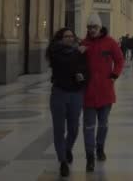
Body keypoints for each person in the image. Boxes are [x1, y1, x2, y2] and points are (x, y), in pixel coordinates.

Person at [80, 13, 124, 172]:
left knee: (103, 125)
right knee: (88, 126)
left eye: (94, 27)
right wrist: (79, 54)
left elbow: (119, 59)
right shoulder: (84, 44)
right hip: (89, 94)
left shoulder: (110, 43)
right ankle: (89, 156)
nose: (91, 30)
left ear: (100, 27)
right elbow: (77, 66)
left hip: (105, 92)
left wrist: (114, 74)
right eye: (89, 27)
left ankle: (100, 147)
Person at [46, 28, 89, 177]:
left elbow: (84, 68)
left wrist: (82, 76)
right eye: (66, 36)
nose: (70, 39)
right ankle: (63, 161)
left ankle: (67, 148)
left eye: (71, 36)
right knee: (59, 130)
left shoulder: (78, 51)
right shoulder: (55, 51)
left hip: (76, 94)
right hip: (59, 93)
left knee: (74, 128)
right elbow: (64, 64)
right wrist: (78, 53)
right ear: (60, 38)